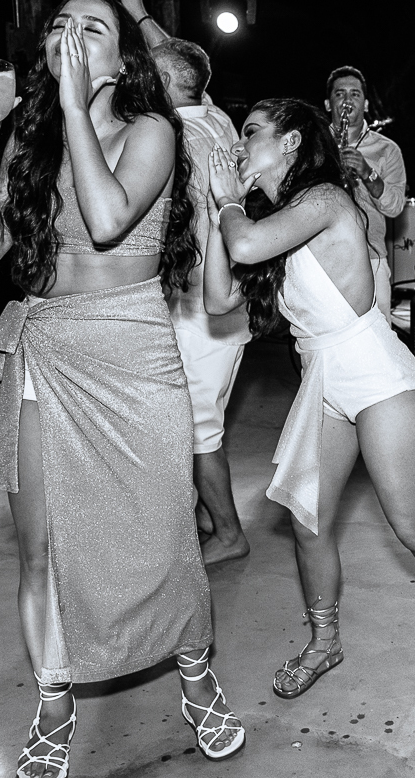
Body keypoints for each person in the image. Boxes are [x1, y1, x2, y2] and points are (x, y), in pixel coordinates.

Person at [0, 0, 244, 777]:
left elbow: (109, 217)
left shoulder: (153, 130)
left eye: (93, 29)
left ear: (121, 60)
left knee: (164, 534)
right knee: (41, 549)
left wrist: (75, 108)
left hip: (132, 348)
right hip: (46, 346)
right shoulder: (32, 137)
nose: (71, 38)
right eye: (59, 26)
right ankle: (53, 705)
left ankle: (195, 672)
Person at [201, 98, 415, 719]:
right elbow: (219, 297)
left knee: (411, 524)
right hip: (322, 381)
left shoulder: (326, 200)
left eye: (251, 132)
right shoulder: (268, 221)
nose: (239, 143)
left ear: (291, 143)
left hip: (375, 374)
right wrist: (215, 210)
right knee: (308, 523)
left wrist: (226, 204)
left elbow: (244, 245)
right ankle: (324, 640)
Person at [151, 38, 252, 565]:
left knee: (196, 429)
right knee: (197, 419)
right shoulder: (216, 118)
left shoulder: (176, 136)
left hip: (200, 305)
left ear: (166, 83)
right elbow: (187, 73)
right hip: (223, 302)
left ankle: (230, 533)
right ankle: (209, 516)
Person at [326, 65, 407, 324]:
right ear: (328, 104)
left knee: (378, 335)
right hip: (322, 257)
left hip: (371, 258)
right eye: (340, 94)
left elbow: (395, 207)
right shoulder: (315, 145)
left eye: (355, 94)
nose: (347, 100)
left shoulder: (388, 149)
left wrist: (367, 172)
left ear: (366, 103)